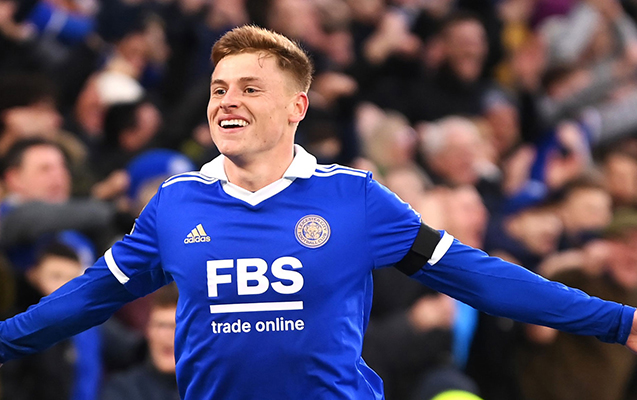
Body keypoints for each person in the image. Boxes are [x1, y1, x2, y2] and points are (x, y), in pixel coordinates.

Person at [1, 25, 637, 400]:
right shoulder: (175, 203)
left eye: (250, 88)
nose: (226, 101)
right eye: (219, 89)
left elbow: (478, 276)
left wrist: (616, 321)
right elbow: (87, 297)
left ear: (296, 108)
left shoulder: (354, 199)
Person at [100, 283, 179, 400]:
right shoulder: (122, 390)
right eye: (161, 326)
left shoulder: (206, 388)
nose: (168, 336)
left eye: (176, 327)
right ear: (148, 331)